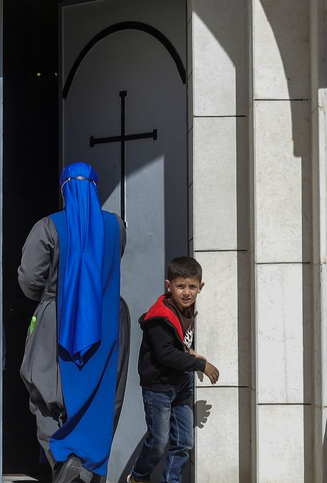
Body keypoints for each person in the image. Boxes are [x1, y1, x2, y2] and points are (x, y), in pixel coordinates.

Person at [18, 162, 128, 483]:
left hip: (57, 322)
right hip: (106, 321)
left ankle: (66, 461)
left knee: (45, 394)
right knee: (100, 395)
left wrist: (55, 295)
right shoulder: (116, 227)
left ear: (64, 190)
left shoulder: (48, 227)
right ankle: (88, 466)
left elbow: (29, 281)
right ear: (95, 187)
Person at [127, 256, 220, 483]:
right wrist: (201, 365)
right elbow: (166, 353)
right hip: (159, 387)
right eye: (180, 286)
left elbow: (179, 342)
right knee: (158, 441)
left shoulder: (189, 308)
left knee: (184, 442)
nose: (186, 292)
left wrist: (189, 352)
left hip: (181, 384)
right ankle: (138, 477)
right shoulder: (160, 316)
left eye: (192, 287)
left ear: (200, 287)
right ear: (168, 286)